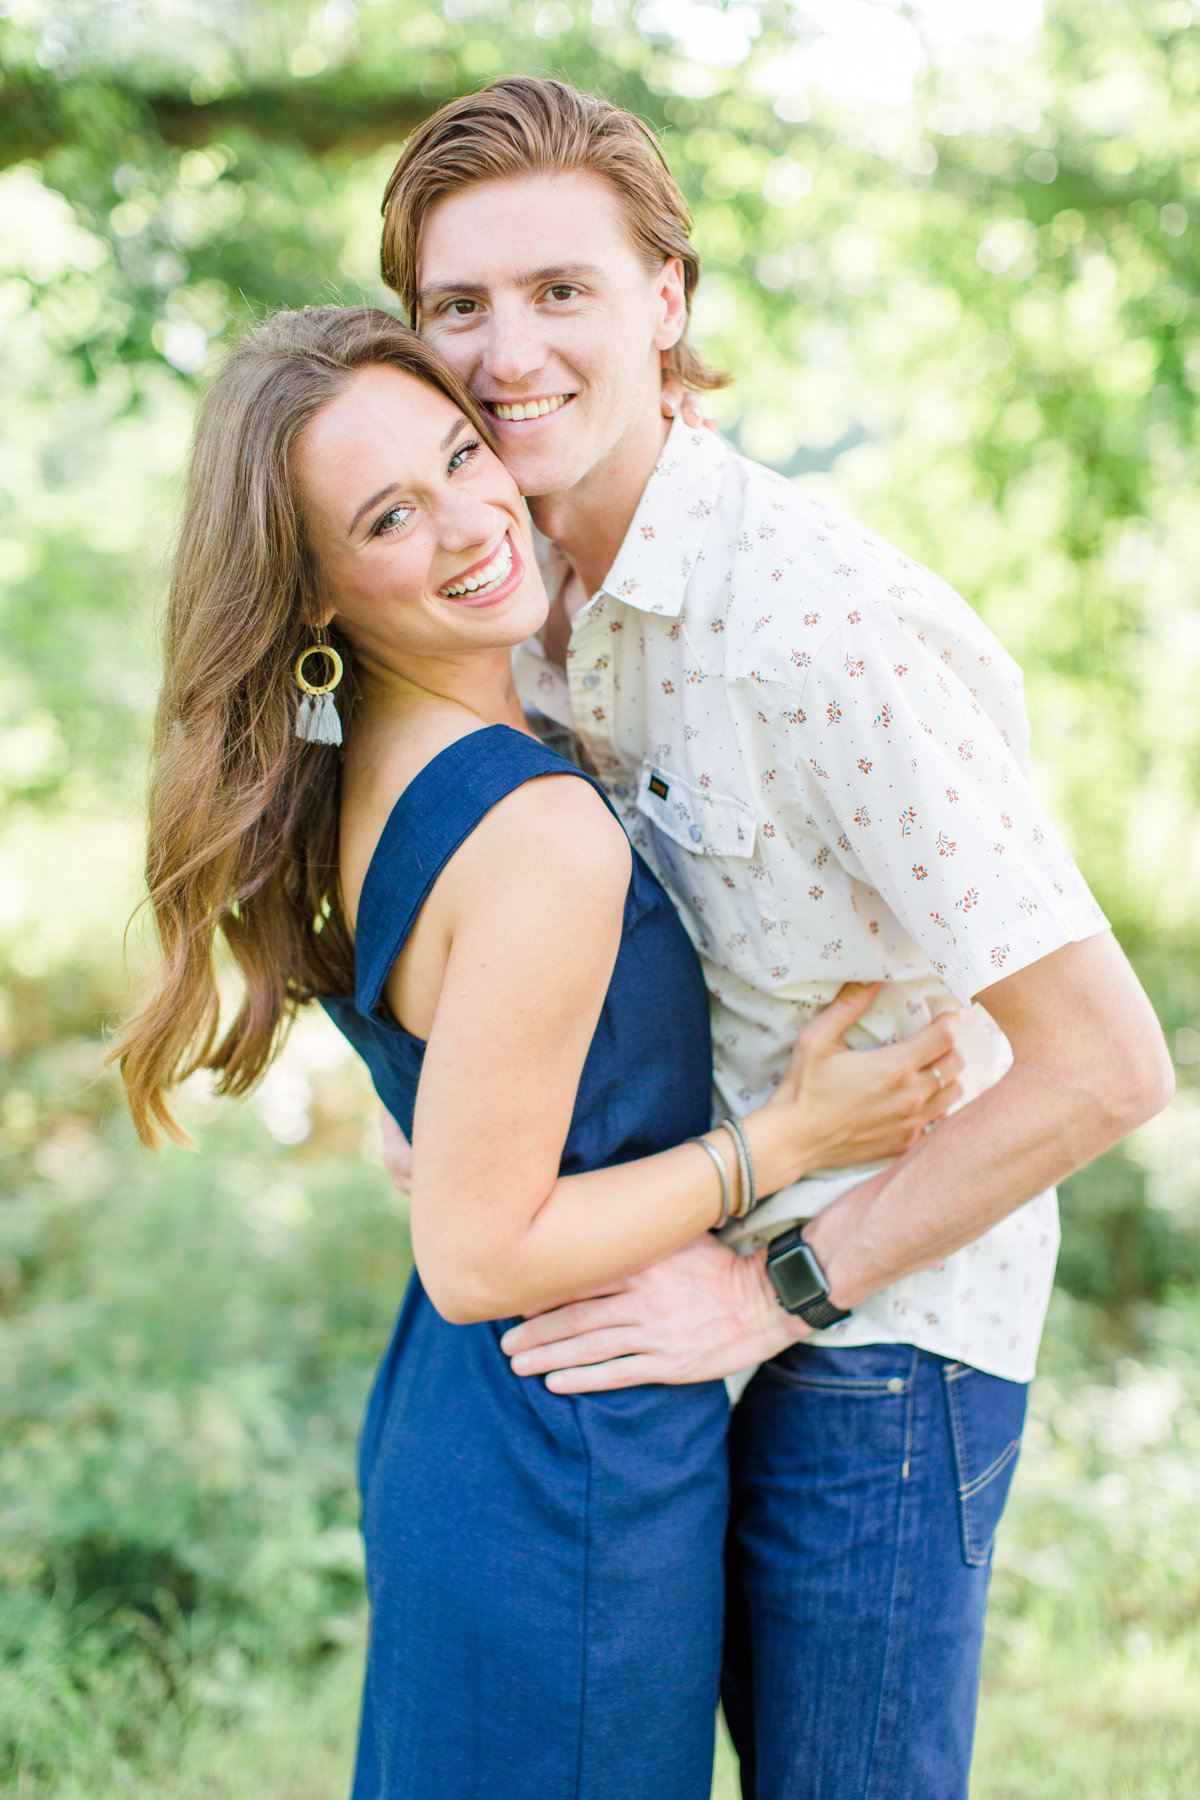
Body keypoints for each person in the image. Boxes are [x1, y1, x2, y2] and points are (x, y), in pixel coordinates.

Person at [375, 77, 1176, 1799]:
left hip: (876, 1332)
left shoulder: (814, 629)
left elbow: (1108, 1068)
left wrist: (774, 1289)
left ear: (667, 303)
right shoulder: (510, 608)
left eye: (560, 291)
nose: (508, 351)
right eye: (460, 307)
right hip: (665, 1282)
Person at [115, 304, 968, 1799]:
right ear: (314, 593)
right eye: (390, 516)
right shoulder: (534, 830)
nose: (469, 519)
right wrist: (795, 1139)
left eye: (460, 454)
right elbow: (479, 1249)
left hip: (475, 1423)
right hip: (564, 1464)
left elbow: (449, 1114)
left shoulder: (370, 766)